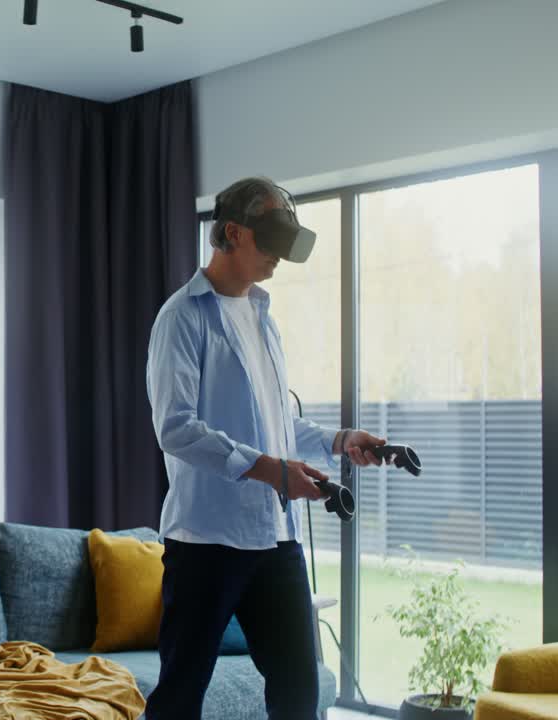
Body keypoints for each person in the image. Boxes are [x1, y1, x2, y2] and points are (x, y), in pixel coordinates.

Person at [144, 178, 387, 720]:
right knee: (180, 697)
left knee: (300, 692)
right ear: (233, 232)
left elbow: (276, 424)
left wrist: (337, 442)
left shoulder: (262, 318)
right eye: (271, 240)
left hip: (275, 540)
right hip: (206, 542)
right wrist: (269, 469)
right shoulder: (181, 318)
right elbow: (177, 428)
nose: (279, 256)